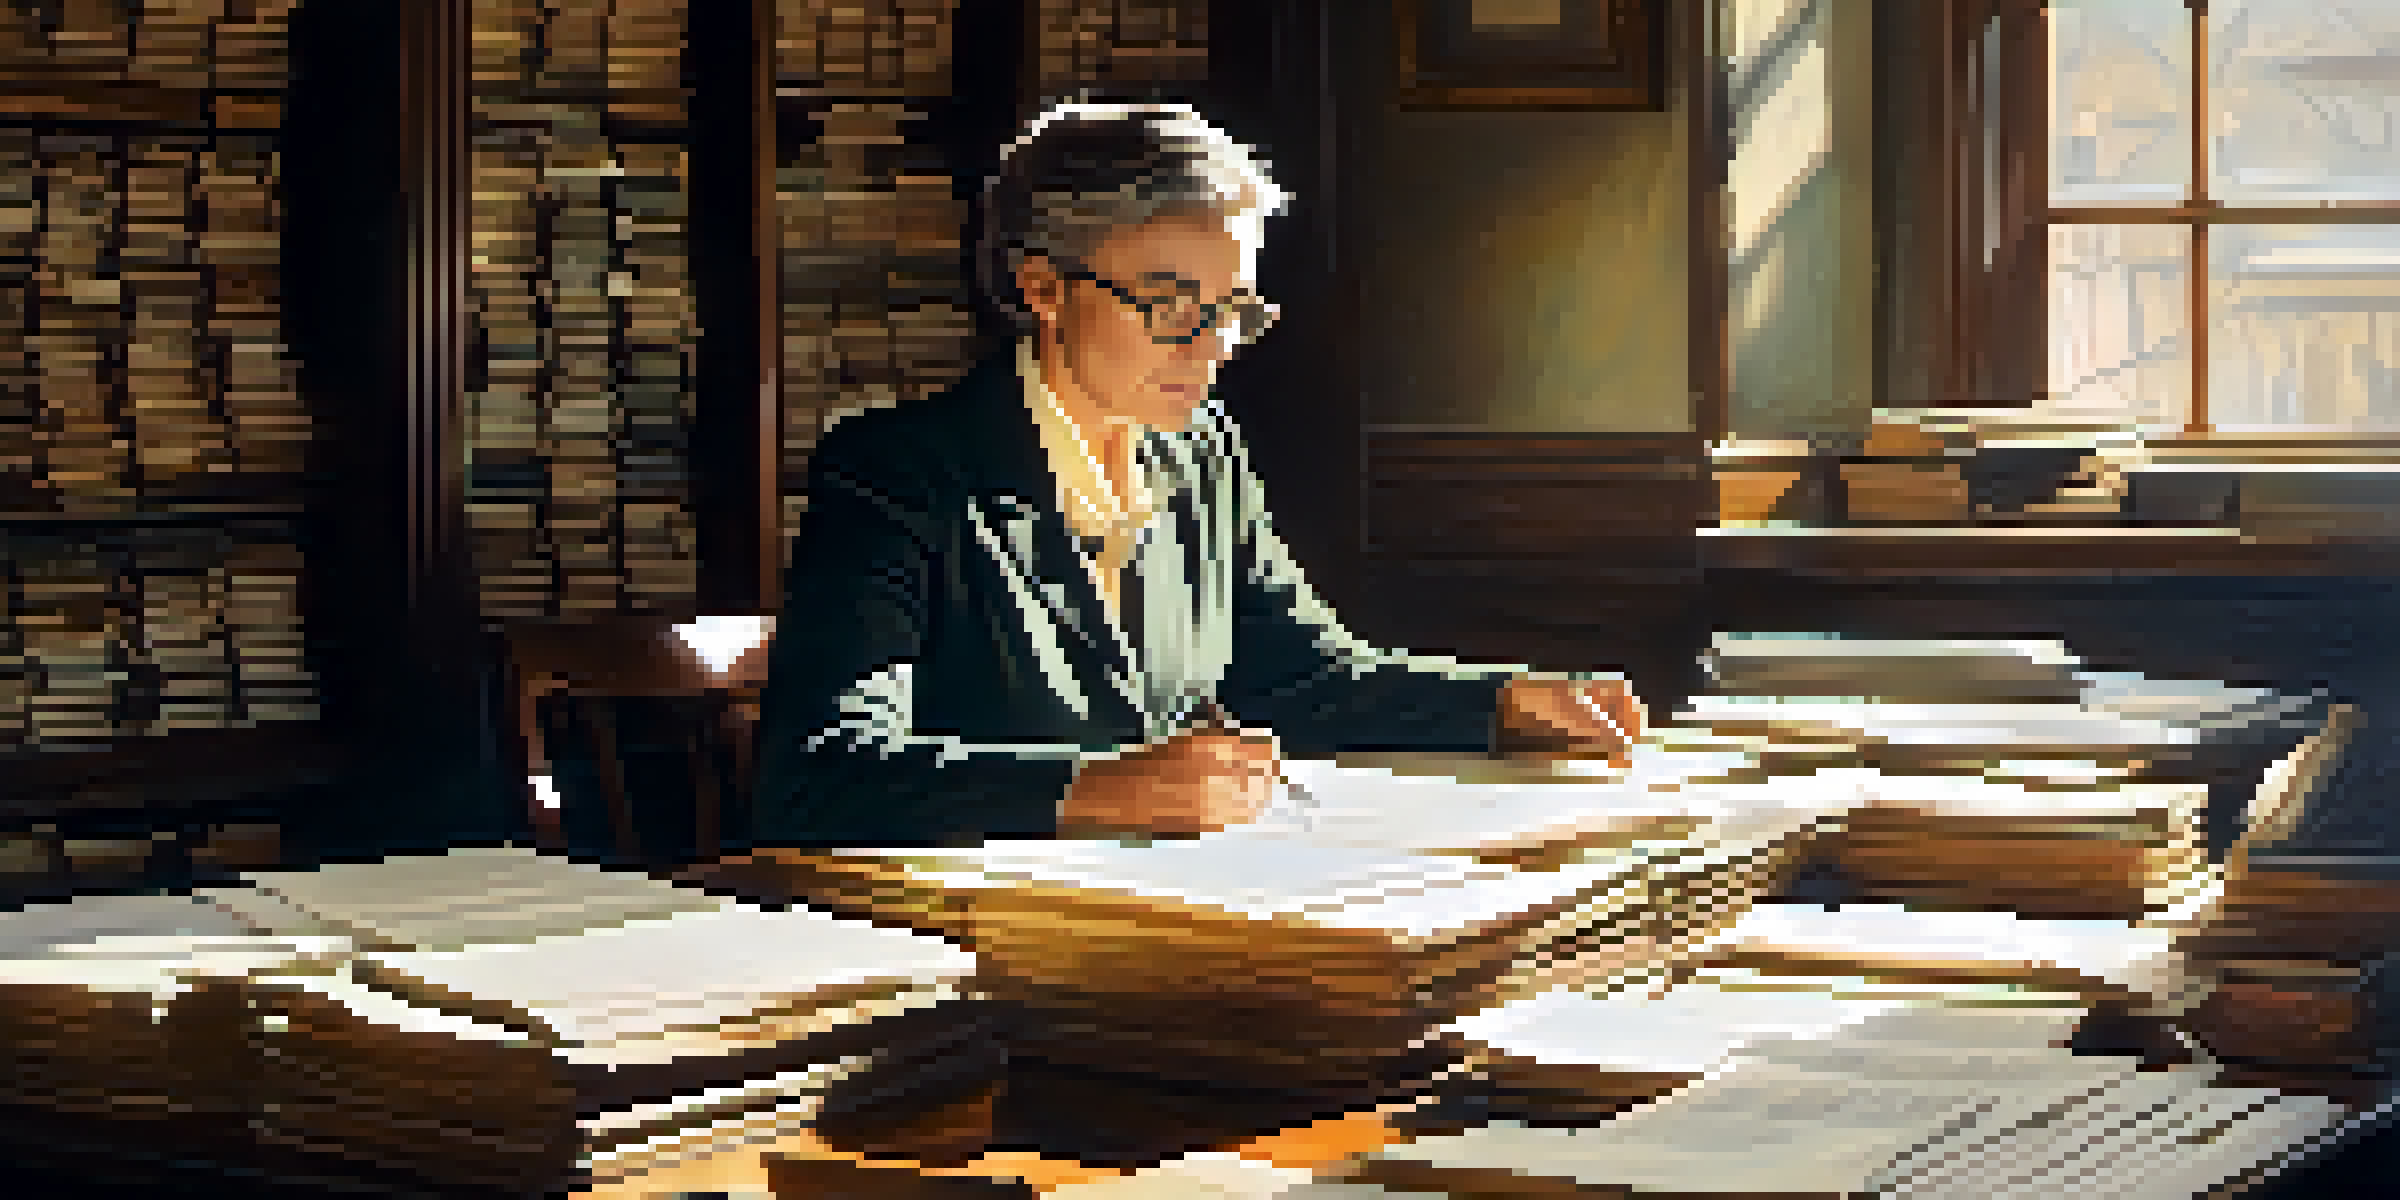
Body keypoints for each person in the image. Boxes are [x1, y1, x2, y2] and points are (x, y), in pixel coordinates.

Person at [751, 99, 1645, 847]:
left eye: (1231, 310)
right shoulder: (898, 473)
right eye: (1173, 305)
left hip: (1170, 905)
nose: (1212, 347)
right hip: (965, 941)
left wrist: (1503, 703)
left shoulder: (1201, 450)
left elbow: (1302, 674)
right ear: (1043, 290)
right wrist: (1097, 791)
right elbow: (821, 772)